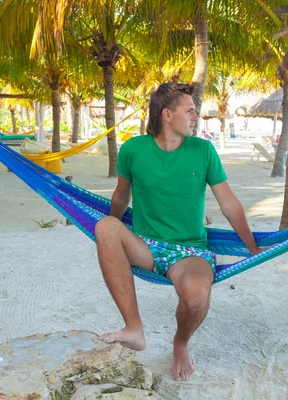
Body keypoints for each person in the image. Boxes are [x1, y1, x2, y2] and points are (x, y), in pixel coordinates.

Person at [94, 82, 262, 381]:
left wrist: (252, 247)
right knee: (105, 226)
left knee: (196, 298)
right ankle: (134, 328)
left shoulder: (203, 150)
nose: (196, 116)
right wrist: (113, 237)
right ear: (167, 114)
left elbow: (229, 204)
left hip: (190, 251)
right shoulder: (133, 149)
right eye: (190, 110)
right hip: (146, 245)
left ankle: (180, 342)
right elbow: (121, 197)